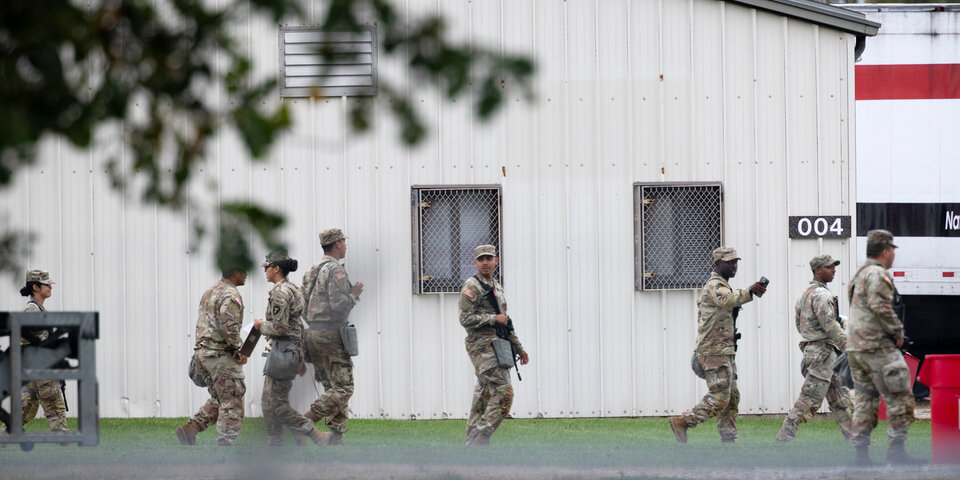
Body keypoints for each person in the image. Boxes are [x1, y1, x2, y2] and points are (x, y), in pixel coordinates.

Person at [669, 247, 766, 444]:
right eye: (729, 262)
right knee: (721, 395)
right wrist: (750, 291)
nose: (734, 266)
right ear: (717, 264)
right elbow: (727, 299)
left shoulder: (723, 285)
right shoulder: (715, 286)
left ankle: (728, 438)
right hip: (713, 352)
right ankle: (683, 422)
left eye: (736, 262)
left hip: (724, 351)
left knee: (732, 397)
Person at [847, 230, 924, 465]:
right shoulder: (878, 274)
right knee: (900, 396)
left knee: (864, 400)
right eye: (892, 251)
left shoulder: (859, 274)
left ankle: (861, 456)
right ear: (885, 251)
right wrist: (897, 332)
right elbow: (880, 307)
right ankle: (896, 451)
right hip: (878, 347)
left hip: (857, 349)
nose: (893, 256)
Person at [254, 250, 330, 446]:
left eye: (267, 267)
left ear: (276, 268)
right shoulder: (293, 289)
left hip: (283, 352)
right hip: (289, 352)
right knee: (270, 402)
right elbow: (298, 326)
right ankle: (276, 442)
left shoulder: (281, 293)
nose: (265, 271)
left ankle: (312, 434)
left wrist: (259, 326)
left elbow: (280, 327)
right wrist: (301, 357)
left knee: (275, 404)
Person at [776, 254, 852, 442]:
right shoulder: (822, 294)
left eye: (834, 266)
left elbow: (799, 324)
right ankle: (784, 438)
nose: (833, 270)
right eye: (829, 267)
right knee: (808, 400)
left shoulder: (806, 294)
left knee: (840, 400)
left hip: (818, 352)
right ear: (817, 270)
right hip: (823, 355)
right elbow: (830, 325)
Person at [459, 244, 529, 446]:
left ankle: (472, 442)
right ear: (475, 263)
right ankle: (481, 437)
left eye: (489, 258)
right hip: (481, 346)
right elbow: (465, 318)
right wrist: (492, 318)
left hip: (498, 344)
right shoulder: (472, 286)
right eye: (481, 259)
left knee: (484, 391)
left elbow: (505, 321)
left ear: (496, 261)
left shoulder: (496, 286)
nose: (485, 262)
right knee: (504, 391)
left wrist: (519, 348)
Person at [301, 228, 363, 446]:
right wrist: (353, 295)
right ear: (337, 244)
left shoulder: (312, 270)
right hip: (331, 333)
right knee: (344, 388)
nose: (345, 245)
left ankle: (336, 439)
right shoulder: (336, 270)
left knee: (332, 387)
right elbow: (338, 305)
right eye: (344, 241)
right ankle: (304, 422)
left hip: (313, 333)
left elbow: (302, 305)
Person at [175, 267, 250, 446]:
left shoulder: (210, 290)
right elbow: (228, 327)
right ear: (236, 272)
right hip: (220, 355)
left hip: (203, 354)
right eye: (244, 270)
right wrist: (238, 351)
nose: (246, 274)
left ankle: (191, 429)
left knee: (220, 397)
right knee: (232, 399)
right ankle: (225, 444)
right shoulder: (232, 294)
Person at [0, 270, 69, 436]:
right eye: (47, 284)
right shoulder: (32, 310)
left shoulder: (38, 309)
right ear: (36, 287)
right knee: (54, 406)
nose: (50, 287)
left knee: (27, 408)